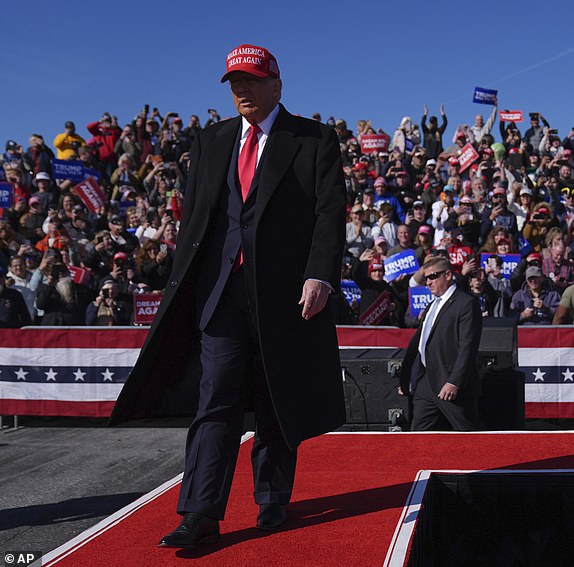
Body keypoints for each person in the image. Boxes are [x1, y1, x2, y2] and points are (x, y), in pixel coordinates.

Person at [110, 43, 346, 547]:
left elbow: (329, 214)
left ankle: (272, 499)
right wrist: (183, 282)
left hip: (286, 297)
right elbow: (196, 218)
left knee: (274, 400)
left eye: (253, 81)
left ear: (276, 85)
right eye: (235, 82)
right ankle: (199, 513)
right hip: (221, 294)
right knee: (214, 398)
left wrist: (319, 273)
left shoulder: (313, 139)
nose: (243, 89)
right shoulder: (211, 140)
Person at [399, 255, 483, 430]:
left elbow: (468, 347)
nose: (428, 282)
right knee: (419, 436)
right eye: (426, 278)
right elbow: (421, 344)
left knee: (469, 434)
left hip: (450, 384)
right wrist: (407, 379)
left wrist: (454, 382)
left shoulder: (466, 304)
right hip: (426, 382)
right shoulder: (431, 306)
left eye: (433, 276)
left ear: (448, 275)